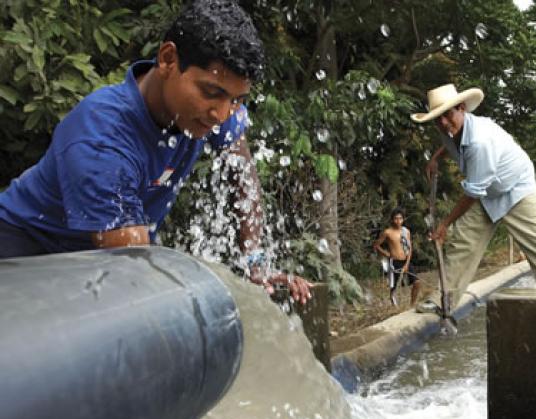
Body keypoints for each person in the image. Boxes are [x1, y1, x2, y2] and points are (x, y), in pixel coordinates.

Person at [0, 0, 310, 304]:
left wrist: (256, 265)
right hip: (24, 252)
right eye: (211, 92)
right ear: (168, 59)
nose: (222, 114)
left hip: (94, 258)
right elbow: (132, 269)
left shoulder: (209, 111)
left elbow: (241, 170)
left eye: (237, 100)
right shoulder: (101, 137)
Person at [410, 83, 536, 313]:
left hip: (516, 188)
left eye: (448, 115)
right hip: (487, 192)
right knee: (462, 242)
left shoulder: (480, 142)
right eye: (438, 119)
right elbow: (449, 144)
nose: (444, 123)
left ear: (461, 108)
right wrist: (436, 158)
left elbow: (472, 193)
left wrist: (445, 224)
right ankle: (442, 302)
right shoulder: (449, 130)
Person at [373, 207, 421, 306]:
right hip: (394, 262)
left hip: (406, 261)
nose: (398, 221)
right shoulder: (388, 232)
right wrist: (386, 254)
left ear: (403, 219)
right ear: (392, 219)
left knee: (417, 282)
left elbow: (409, 248)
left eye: (400, 218)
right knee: (394, 287)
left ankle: (412, 305)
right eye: (396, 218)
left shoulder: (406, 231)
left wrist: (407, 264)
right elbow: (376, 245)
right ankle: (394, 306)